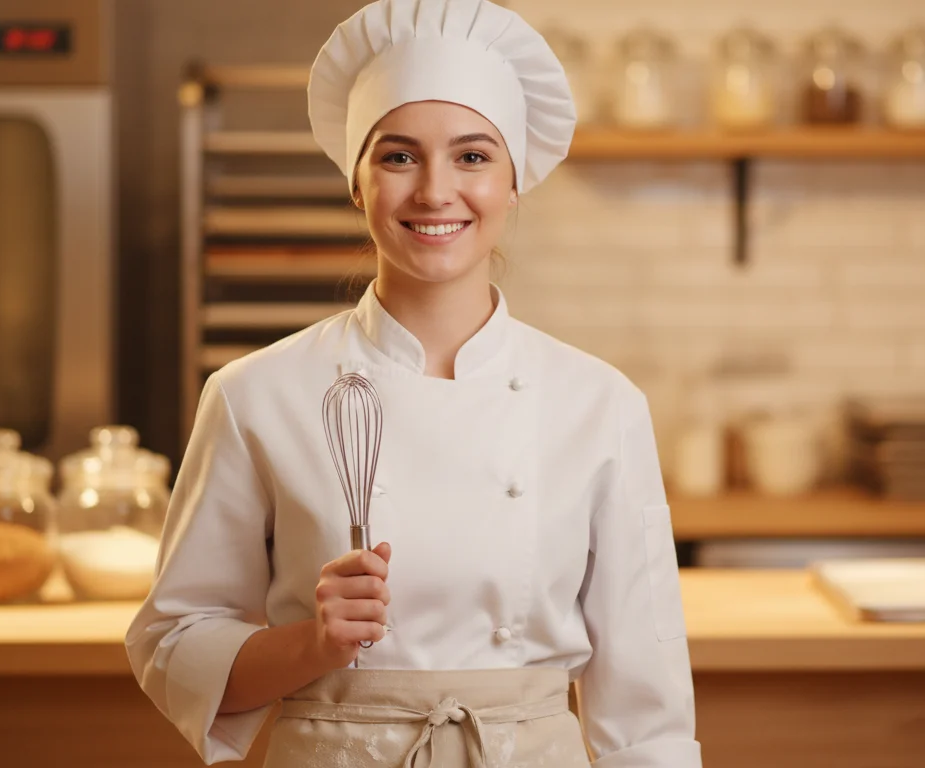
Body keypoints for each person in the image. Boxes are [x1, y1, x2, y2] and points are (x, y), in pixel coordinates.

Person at [125, 0, 700, 765]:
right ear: (357, 183)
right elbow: (174, 646)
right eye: (398, 157)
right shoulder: (253, 395)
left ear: (515, 180)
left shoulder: (600, 405)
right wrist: (312, 644)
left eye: (472, 157)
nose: (435, 192)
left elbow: (646, 709)